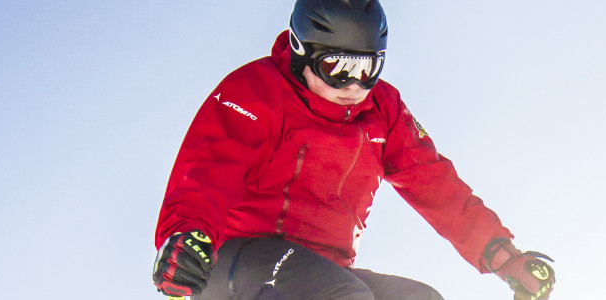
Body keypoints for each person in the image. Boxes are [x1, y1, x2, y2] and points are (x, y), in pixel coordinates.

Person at [151, 1, 555, 299]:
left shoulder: (383, 109)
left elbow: (435, 184)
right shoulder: (258, 91)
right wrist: (187, 236)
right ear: (301, 50)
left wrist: (503, 257)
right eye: (338, 67)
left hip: (322, 268)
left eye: (368, 70)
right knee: (342, 297)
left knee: (420, 299)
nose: (354, 86)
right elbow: (209, 171)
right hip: (235, 260)